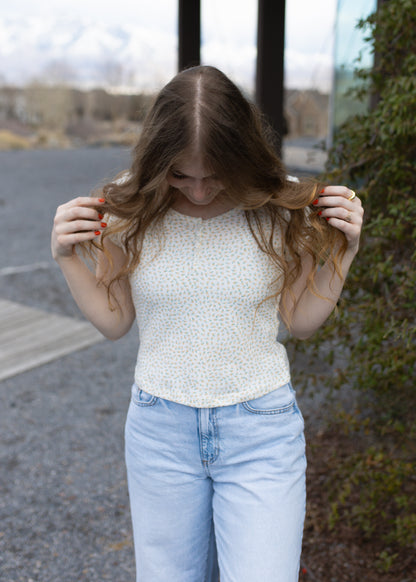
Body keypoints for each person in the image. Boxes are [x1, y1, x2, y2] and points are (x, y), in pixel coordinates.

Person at [51, 65, 363, 582]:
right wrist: (65, 257)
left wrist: (344, 253)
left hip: (261, 432)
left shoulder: (281, 206)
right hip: (159, 431)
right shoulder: (131, 206)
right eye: (180, 174)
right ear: (158, 161)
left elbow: (301, 320)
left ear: (243, 155)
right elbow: (116, 321)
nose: (197, 191)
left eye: (214, 174)